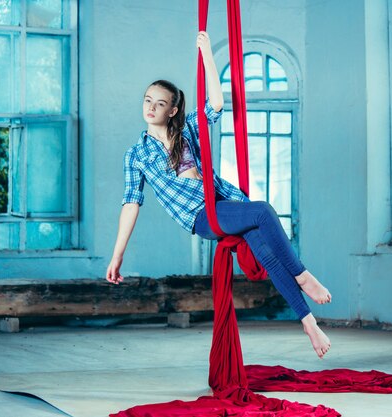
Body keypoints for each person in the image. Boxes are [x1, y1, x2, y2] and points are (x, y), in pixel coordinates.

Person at [106, 31, 332, 358]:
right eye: (147, 100)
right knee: (263, 211)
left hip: (224, 200)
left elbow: (216, 104)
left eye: (160, 103)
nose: (151, 107)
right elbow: (131, 204)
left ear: (172, 110)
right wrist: (117, 256)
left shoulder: (187, 131)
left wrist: (207, 55)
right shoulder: (136, 154)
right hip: (201, 215)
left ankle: (309, 323)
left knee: (264, 248)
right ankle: (303, 275)